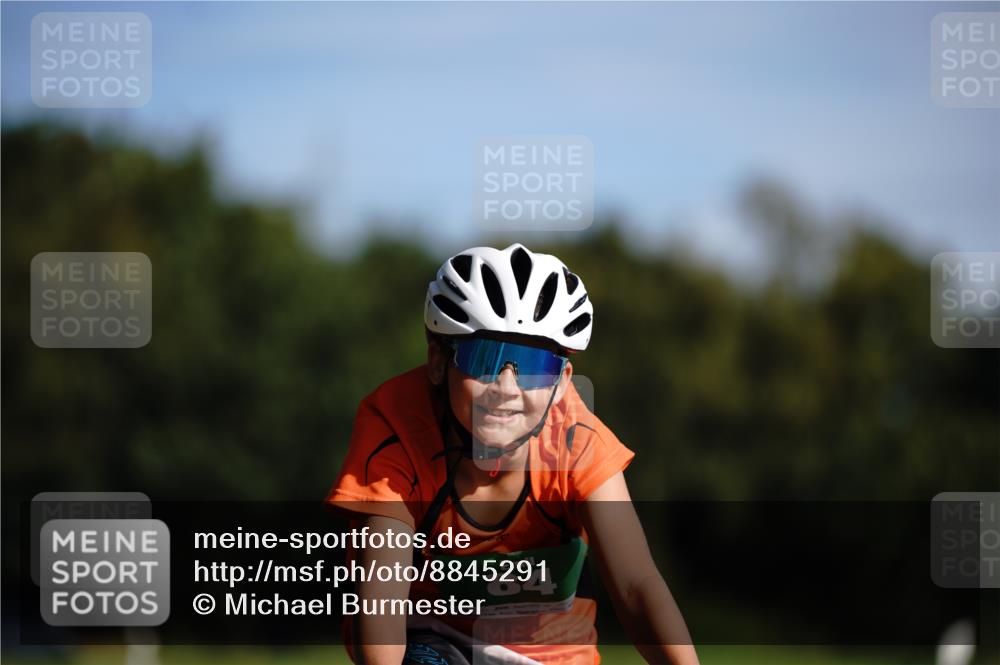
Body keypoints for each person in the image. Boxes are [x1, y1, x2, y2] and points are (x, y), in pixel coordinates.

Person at [327, 243, 699, 665]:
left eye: (534, 364)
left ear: (562, 382)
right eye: (484, 358)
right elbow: (381, 599)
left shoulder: (579, 442)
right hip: (430, 639)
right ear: (437, 361)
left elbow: (636, 584)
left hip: (551, 653)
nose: (506, 389)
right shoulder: (394, 427)